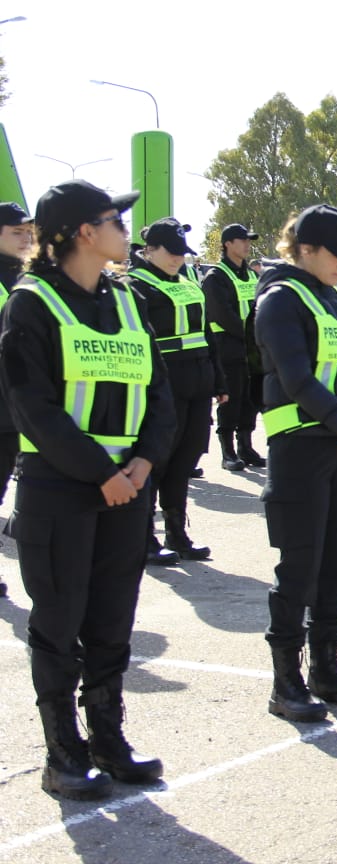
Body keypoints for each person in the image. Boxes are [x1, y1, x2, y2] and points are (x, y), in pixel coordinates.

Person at [1, 180, 177, 798]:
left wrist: (144, 463)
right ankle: (63, 753)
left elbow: (159, 394)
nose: (125, 233)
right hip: (62, 490)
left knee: (111, 619)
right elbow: (33, 407)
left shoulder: (127, 300)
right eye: (116, 222)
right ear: (83, 232)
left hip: (127, 489)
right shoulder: (31, 304)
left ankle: (108, 736)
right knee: (59, 620)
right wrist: (100, 473)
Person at [255, 205, 337, 721]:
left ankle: (327, 670)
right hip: (303, 450)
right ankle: (285, 681)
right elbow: (296, 379)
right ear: (304, 249)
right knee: (300, 567)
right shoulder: (280, 299)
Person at [127, 218, 226, 563]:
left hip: (197, 383)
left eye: (182, 253)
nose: (177, 259)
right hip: (163, 387)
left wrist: (219, 380)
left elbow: (205, 332)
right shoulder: (133, 285)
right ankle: (143, 535)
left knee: (185, 459)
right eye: (170, 252)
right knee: (157, 460)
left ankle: (176, 531)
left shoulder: (188, 283)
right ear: (149, 250)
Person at [202, 223, 264, 472]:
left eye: (249, 240)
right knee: (231, 399)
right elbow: (222, 315)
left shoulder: (251, 275)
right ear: (228, 243)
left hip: (252, 350)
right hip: (228, 348)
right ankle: (227, 451)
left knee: (250, 400)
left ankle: (246, 447)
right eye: (242, 240)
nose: (247, 244)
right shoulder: (216, 277)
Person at [0, 201, 34, 600]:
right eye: (17, 232)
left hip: (24, 408)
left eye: (29, 232)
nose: (27, 238)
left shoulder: (30, 278)